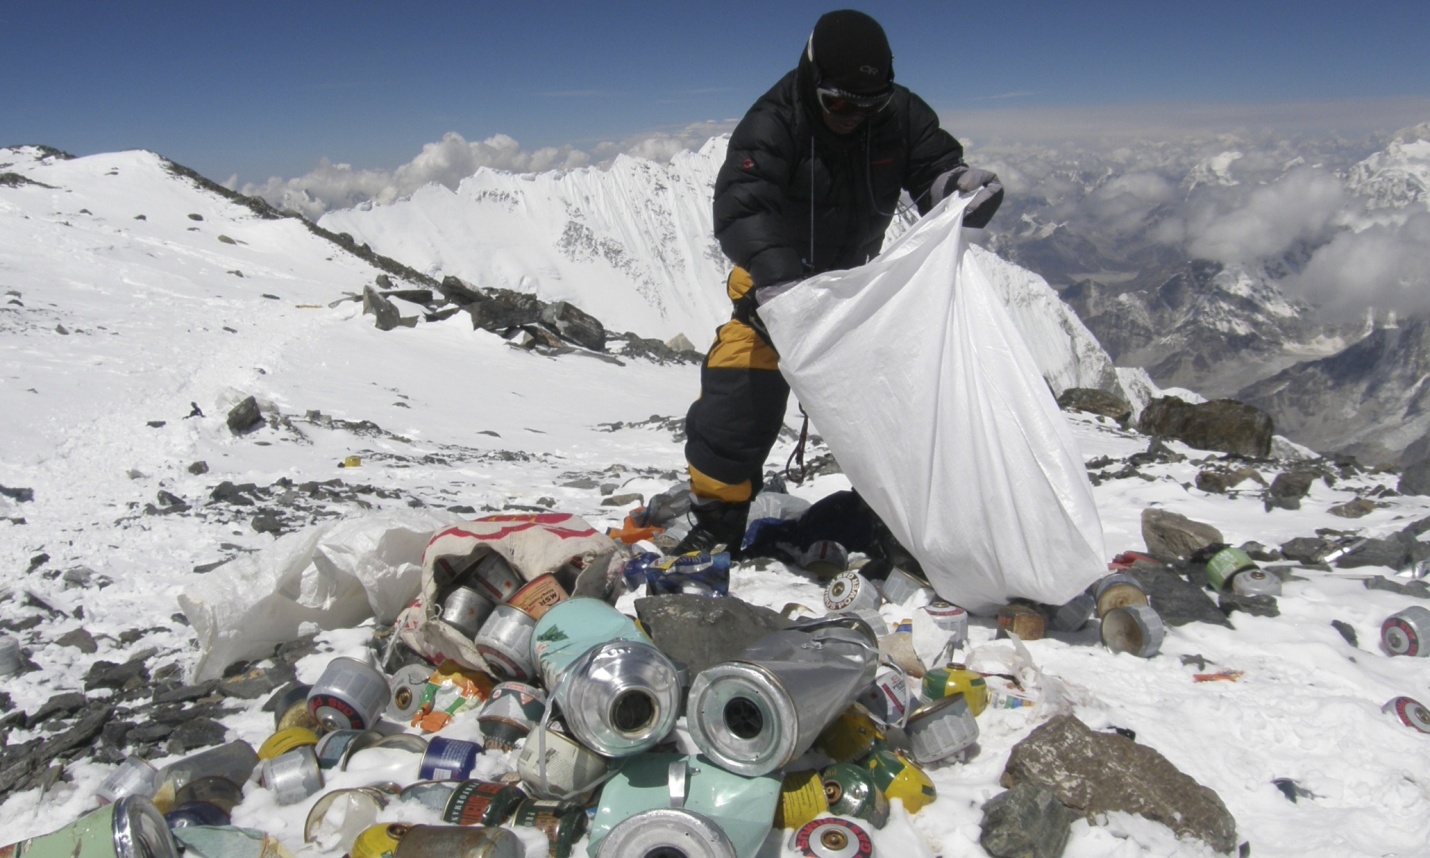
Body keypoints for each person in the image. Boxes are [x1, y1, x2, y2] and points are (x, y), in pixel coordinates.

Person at [676, 9, 1004, 555]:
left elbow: (932, 170)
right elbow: (741, 208)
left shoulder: (899, 115)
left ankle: (898, 527)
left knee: (900, 414)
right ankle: (718, 523)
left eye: (868, 103)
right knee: (733, 412)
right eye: (839, 102)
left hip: (856, 297)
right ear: (811, 77)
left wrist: (957, 189)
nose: (852, 115)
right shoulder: (774, 120)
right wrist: (782, 286)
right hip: (770, 300)